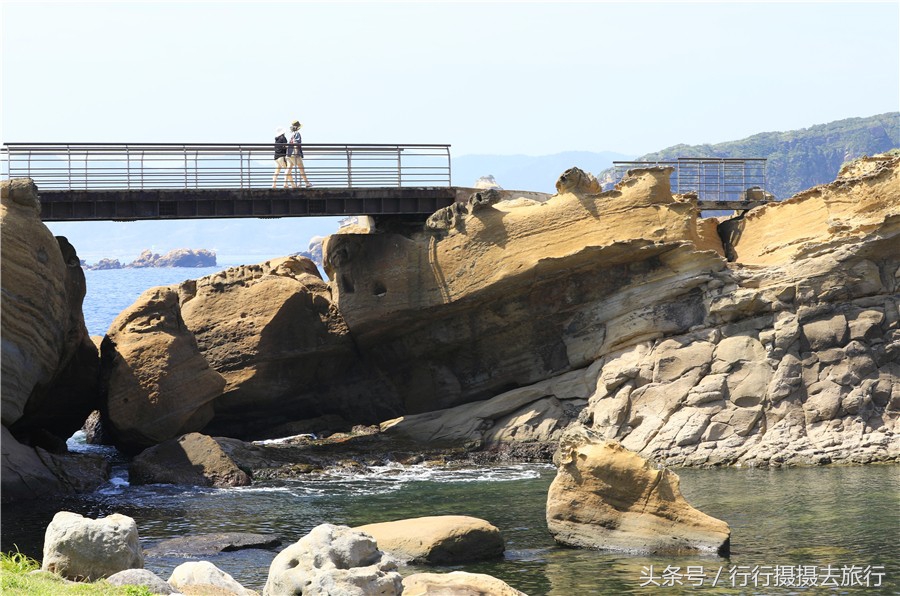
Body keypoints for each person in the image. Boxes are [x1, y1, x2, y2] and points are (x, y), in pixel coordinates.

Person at [287, 120, 312, 188]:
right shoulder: (297, 134)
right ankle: (307, 183)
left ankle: (287, 183)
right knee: (301, 169)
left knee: (289, 169)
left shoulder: (292, 134)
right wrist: (296, 152)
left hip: (289, 154)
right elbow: (296, 143)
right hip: (295, 154)